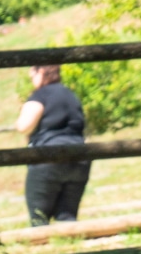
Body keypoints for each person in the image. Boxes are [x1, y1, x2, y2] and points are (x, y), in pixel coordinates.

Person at [16, 65, 92, 226]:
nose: (31, 79)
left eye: (32, 74)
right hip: (80, 157)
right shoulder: (70, 94)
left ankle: (43, 247)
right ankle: (71, 242)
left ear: (41, 72)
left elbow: (24, 126)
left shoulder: (40, 95)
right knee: (67, 215)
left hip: (48, 158)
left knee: (39, 216)